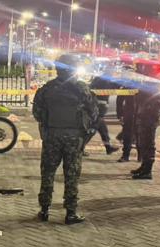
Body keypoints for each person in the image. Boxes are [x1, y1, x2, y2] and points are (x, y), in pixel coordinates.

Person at [33, 54, 98, 225]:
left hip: (52, 136)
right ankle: (70, 212)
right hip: (74, 137)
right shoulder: (82, 89)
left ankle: (44, 210)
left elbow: (37, 113)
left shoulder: (47, 89)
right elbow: (94, 113)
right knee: (72, 175)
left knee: (48, 173)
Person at [131, 61, 160, 180]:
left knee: (148, 143)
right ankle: (144, 165)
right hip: (144, 116)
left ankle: (148, 170)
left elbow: (159, 100)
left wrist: (146, 109)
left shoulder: (155, 82)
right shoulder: (147, 81)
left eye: (144, 67)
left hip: (149, 117)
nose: (141, 69)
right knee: (142, 142)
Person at [87, 66, 121, 155]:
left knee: (103, 128)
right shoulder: (106, 81)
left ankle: (108, 147)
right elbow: (115, 87)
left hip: (95, 106)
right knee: (94, 127)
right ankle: (81, 147)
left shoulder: (98, 79)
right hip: (100, 107)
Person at [116, 66, 139, 162]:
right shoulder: (124, 85)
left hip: (139, 112)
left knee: (139, 134)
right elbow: (119, 101)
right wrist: (120, 114)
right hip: (128, 113)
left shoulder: (139, 84)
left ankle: (141, 156)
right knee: (127, 135)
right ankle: (125, 155)